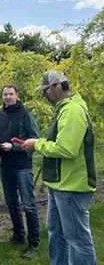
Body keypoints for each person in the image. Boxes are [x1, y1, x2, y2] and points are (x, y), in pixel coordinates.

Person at [22, 70, 97, 265]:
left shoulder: (72, 111)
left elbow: (66, 149)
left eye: (45, 91)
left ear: (57, 86)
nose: (44, 95)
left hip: (71, 186)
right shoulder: (64, 108)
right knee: (57, 233)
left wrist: (36, 144)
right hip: (59, 184)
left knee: (77, 240)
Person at [0, 84, 40, 258]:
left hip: (22, 166)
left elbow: (35, 140)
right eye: (5, 94)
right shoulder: (1, 115)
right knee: (12, 204)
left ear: (17, 96)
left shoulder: (26, 115)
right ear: (2, 96)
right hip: (5, 166)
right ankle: (18, 236)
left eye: (11, 94)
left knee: (29, 205)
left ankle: (34, 243)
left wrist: (13, 147)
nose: (8, 97)